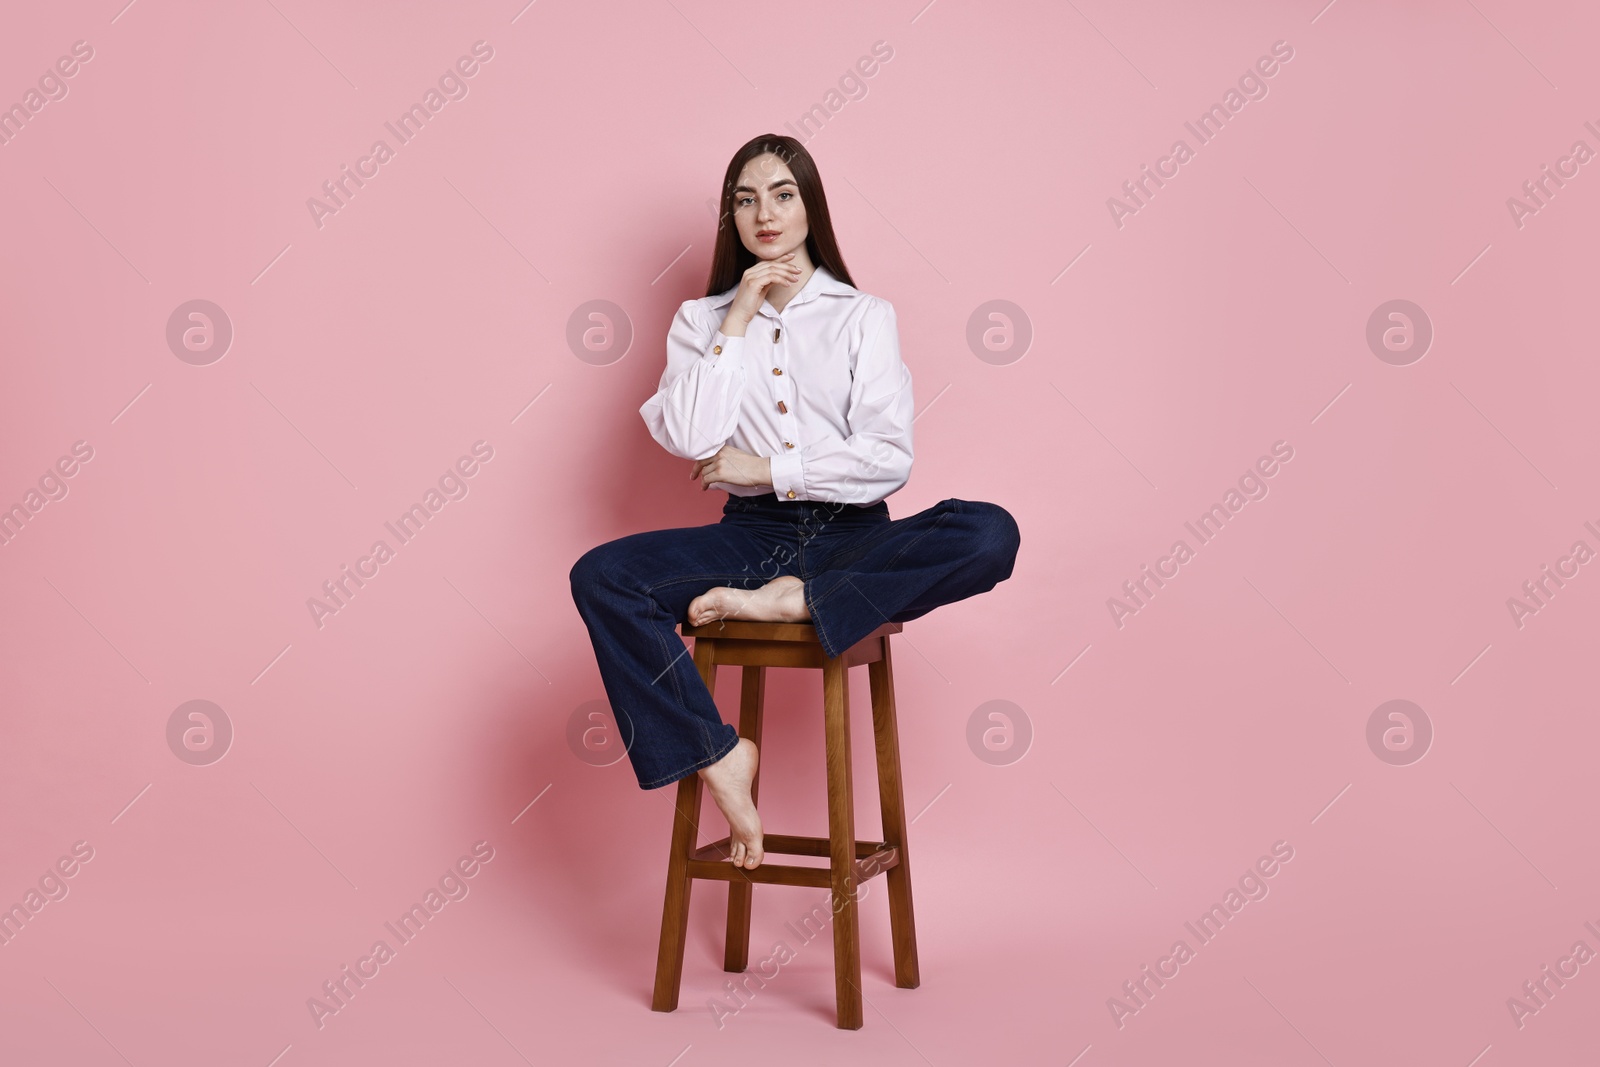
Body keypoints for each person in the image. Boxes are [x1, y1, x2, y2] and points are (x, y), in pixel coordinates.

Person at [570, 134, 1019, 871]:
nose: (764, 213)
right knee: (602, 575)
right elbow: (690, 435)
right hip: (752, 539)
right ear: (731, 219)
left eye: (782, 194)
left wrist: (767, 464)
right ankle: (715, 753)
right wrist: (739, 316)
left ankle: (796, 601)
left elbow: (885, 461)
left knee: (990, 533)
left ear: (810, 204)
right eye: (744, 200)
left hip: (856, 537)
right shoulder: (702, 320)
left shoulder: (863, 316)